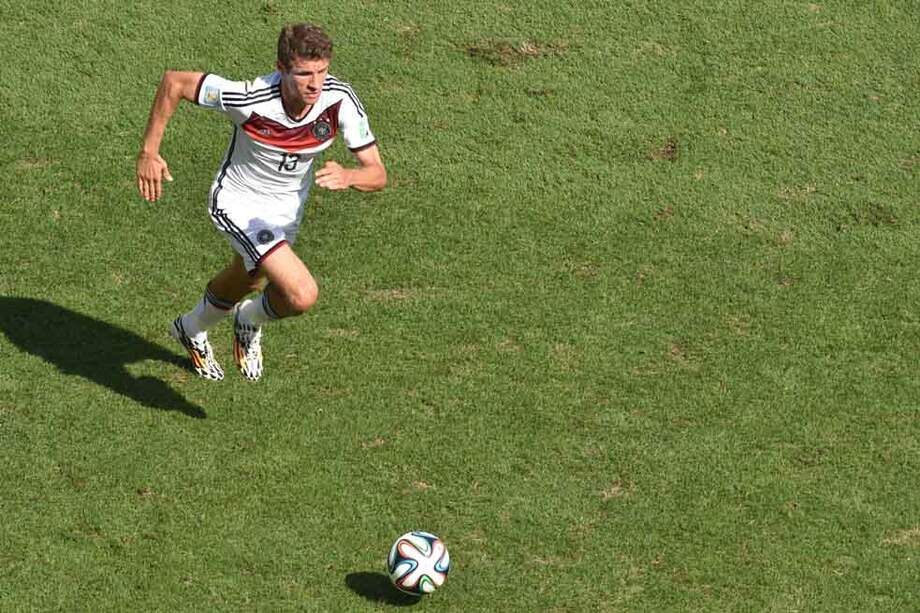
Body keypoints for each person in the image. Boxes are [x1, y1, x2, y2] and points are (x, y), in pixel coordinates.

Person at [136, 23, 386, 382]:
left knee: (251, 276)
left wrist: (350, 177)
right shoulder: (250, 99)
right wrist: (149, 152)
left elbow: (377, 173)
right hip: (239, 202)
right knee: (301, 294)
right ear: (281, 68)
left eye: (322, 71)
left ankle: (190, 328)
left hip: (285, 213)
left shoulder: (339, 100)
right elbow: (174, 82)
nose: (316, 84)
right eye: (304, 74)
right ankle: (250, 319)